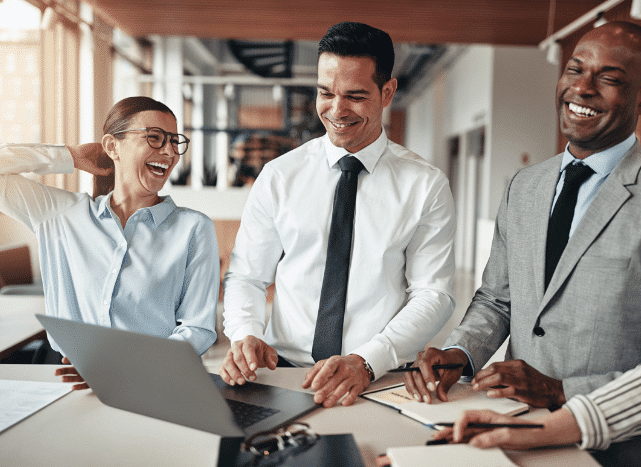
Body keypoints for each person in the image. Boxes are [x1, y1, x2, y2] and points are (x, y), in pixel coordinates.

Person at [403, 21, 641, 466]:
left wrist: (561, 390)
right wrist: (460, 352)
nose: (582, 89)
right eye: (575, 71)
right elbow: (497, 299)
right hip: (508, 428)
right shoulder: (524, 185)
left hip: (611, 452)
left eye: (609, 79)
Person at [220, 22, 455, 408]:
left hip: (380, 378)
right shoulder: (280, 176)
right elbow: (248, 274)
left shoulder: (425, 185)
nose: (336, 110)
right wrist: (245, 333)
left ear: (388, 92)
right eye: (325, 93)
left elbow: (434, 293)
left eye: (355, 96)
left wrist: (367, 361)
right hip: (287, 374)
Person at [0, 96, 219, 388]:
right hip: (65, 382)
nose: (169, 151)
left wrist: (122, 368)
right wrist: (70, 156)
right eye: (154, 137)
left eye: (174, 141)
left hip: (151, 383)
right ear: (113, 146)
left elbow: (198, 329)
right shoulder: (61, 214)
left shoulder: (193, 228)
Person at [432, 300, 641, 453]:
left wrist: (558, 392)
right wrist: (530, 430)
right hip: (517, 424)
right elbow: (496, 298)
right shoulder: (519, 198)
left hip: (616, 450)